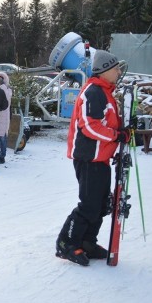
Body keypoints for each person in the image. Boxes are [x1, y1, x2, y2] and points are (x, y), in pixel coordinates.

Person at [56, 50, 128, 266]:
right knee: (89, 205)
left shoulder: (105, 92)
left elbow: (107, 122)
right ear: (105, 70)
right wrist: (116, 135)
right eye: (115, 68)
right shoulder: (94, 92)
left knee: (101, 205)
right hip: (89, 158)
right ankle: (66, 243)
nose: (118, 72)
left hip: (101, 158)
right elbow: (89, 126)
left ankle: (87, 241)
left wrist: (122, 131)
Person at [0, 72, 13, 164]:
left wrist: (2, 86)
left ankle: (2, 157)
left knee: (2, 139)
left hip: (5, 117)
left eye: (0, 81)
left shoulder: (7, 90)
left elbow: (6, 99)